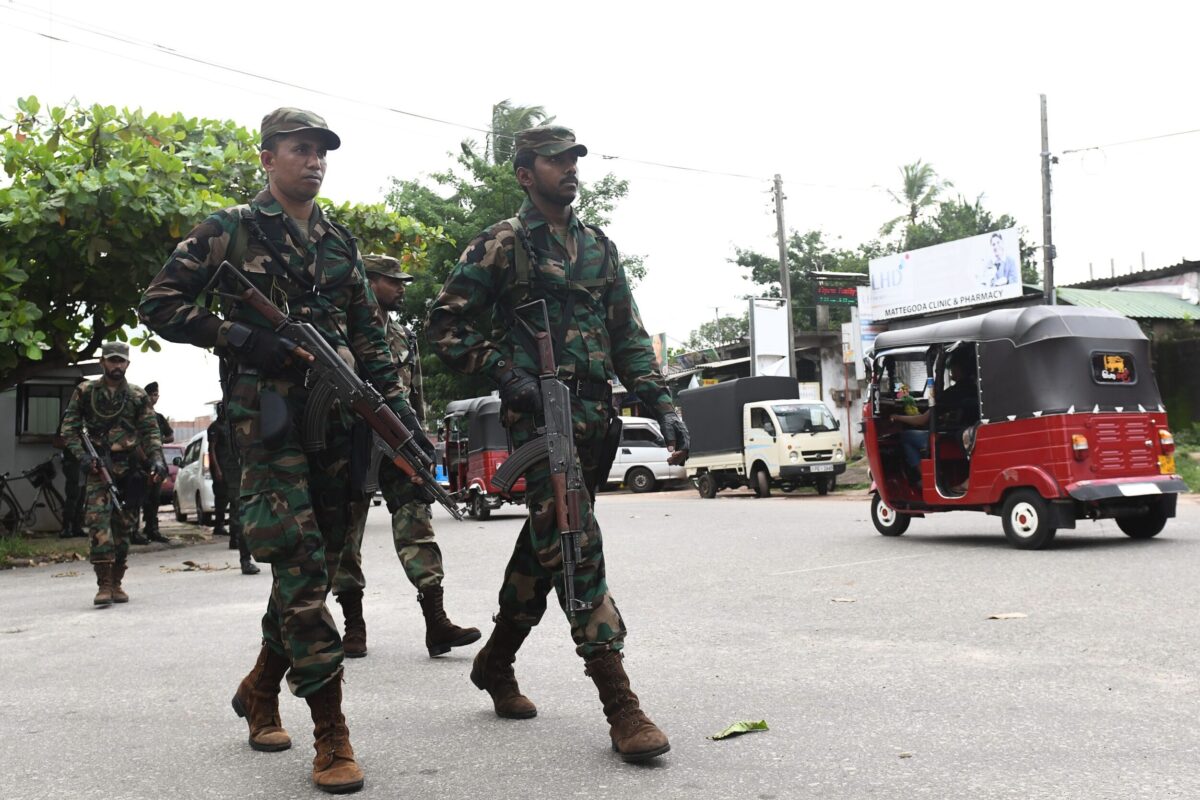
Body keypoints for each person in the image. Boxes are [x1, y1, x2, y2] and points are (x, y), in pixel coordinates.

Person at [139, 107, 428, 794]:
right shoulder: (230, 229)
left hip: (336, 426)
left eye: (322, 151)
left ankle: (260, 689)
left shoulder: (340, 243)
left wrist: (399, 417)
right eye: (300, 150)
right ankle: (332, 734)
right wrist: (240, 338)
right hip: (264, 428)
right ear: (267, 158)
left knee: (319, 570)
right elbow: (159, 303)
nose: (315, 161)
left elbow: (370, 337)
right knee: (299, 569)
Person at [427, 125, 690, 764]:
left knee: (546, 541)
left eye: (575, 159)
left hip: (595, 419)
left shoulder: (599, 248)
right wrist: (504, 372)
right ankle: (619, 701)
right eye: (556, 161)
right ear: (525, 174)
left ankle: (495, 661)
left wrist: (660, 402)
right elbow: (445, 325)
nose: (570, 169)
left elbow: (628, 335)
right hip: (538, 421)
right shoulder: (501, 245)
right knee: (574, 540)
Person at [331, 254, 479, 659]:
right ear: (369, 282)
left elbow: (413, 396)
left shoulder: (401, 336)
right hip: (350, 440)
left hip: (396, 437)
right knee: (347, 531)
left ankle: (437, 622)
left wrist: (418, 438)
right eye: (392, 280)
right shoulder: (341, 329)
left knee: (416, 518)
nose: (401, 288)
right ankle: (353, 625)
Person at [59, 342, 165, 606]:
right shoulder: (85, 392)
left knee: (125, 526)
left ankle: (117, 582)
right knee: (97, 523)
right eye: (111, 361)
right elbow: (69, 429)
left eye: (121, 361)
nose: (116, 366)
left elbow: (150, 431)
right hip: (99, 468)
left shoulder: (137, 395)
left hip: (129, 469)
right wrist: (82, 456)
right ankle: (103, 584)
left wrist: (157, 459)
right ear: (102, 362)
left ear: (127, 364)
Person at [888, 347, 979, 488]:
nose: (951, 370)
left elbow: (922, 420)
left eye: (952, 367)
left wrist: (897, 417)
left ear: (959, 368)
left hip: (950, 436)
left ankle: (926, 478)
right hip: (961, 431)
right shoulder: (973, 387)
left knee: (905, 437)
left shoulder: (953, 393)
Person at [207, 404, 259, 575]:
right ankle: (244, 557)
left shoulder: (251, 419)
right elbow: (213, 450)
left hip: (251, 468)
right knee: (240, 510)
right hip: (234, 471)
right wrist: (219, 470)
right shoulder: (221, 427)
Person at [135, 381, 174, 544]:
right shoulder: (137, 416)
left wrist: (157, 441)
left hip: (156, 461)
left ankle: (152, 529)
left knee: (154, 498)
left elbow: (170, 436)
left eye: (156, 394)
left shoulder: (158, 417)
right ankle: (133, 531)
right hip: (140, 461)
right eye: (151, 394)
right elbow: (133, 440)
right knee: (137, 497)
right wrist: (144, 459)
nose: (154, 398)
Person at [54, 378, 88, 539]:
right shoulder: (70, 413)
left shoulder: (87, 414)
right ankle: (66, 527)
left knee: (81, 495)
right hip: (73, 459)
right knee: (73, 494)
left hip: (85, 460)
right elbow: (59, 440)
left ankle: (76, 526)